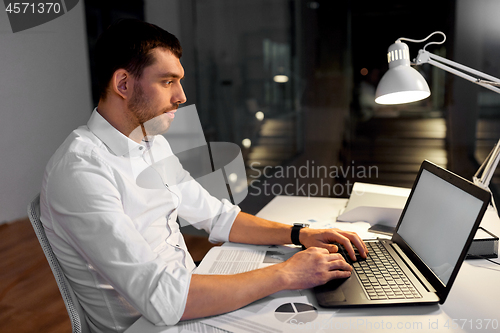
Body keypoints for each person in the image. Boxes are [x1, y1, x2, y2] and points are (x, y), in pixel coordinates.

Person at [40, 18, 367, 333]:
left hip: (189, 299)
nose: (181, 96)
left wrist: (300, 234)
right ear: (123, 84)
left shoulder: (153, 143)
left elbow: (219, 217)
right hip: (151, 323)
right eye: (168, 82)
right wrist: (286, 274)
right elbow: (163, 299)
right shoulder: (81, 171)